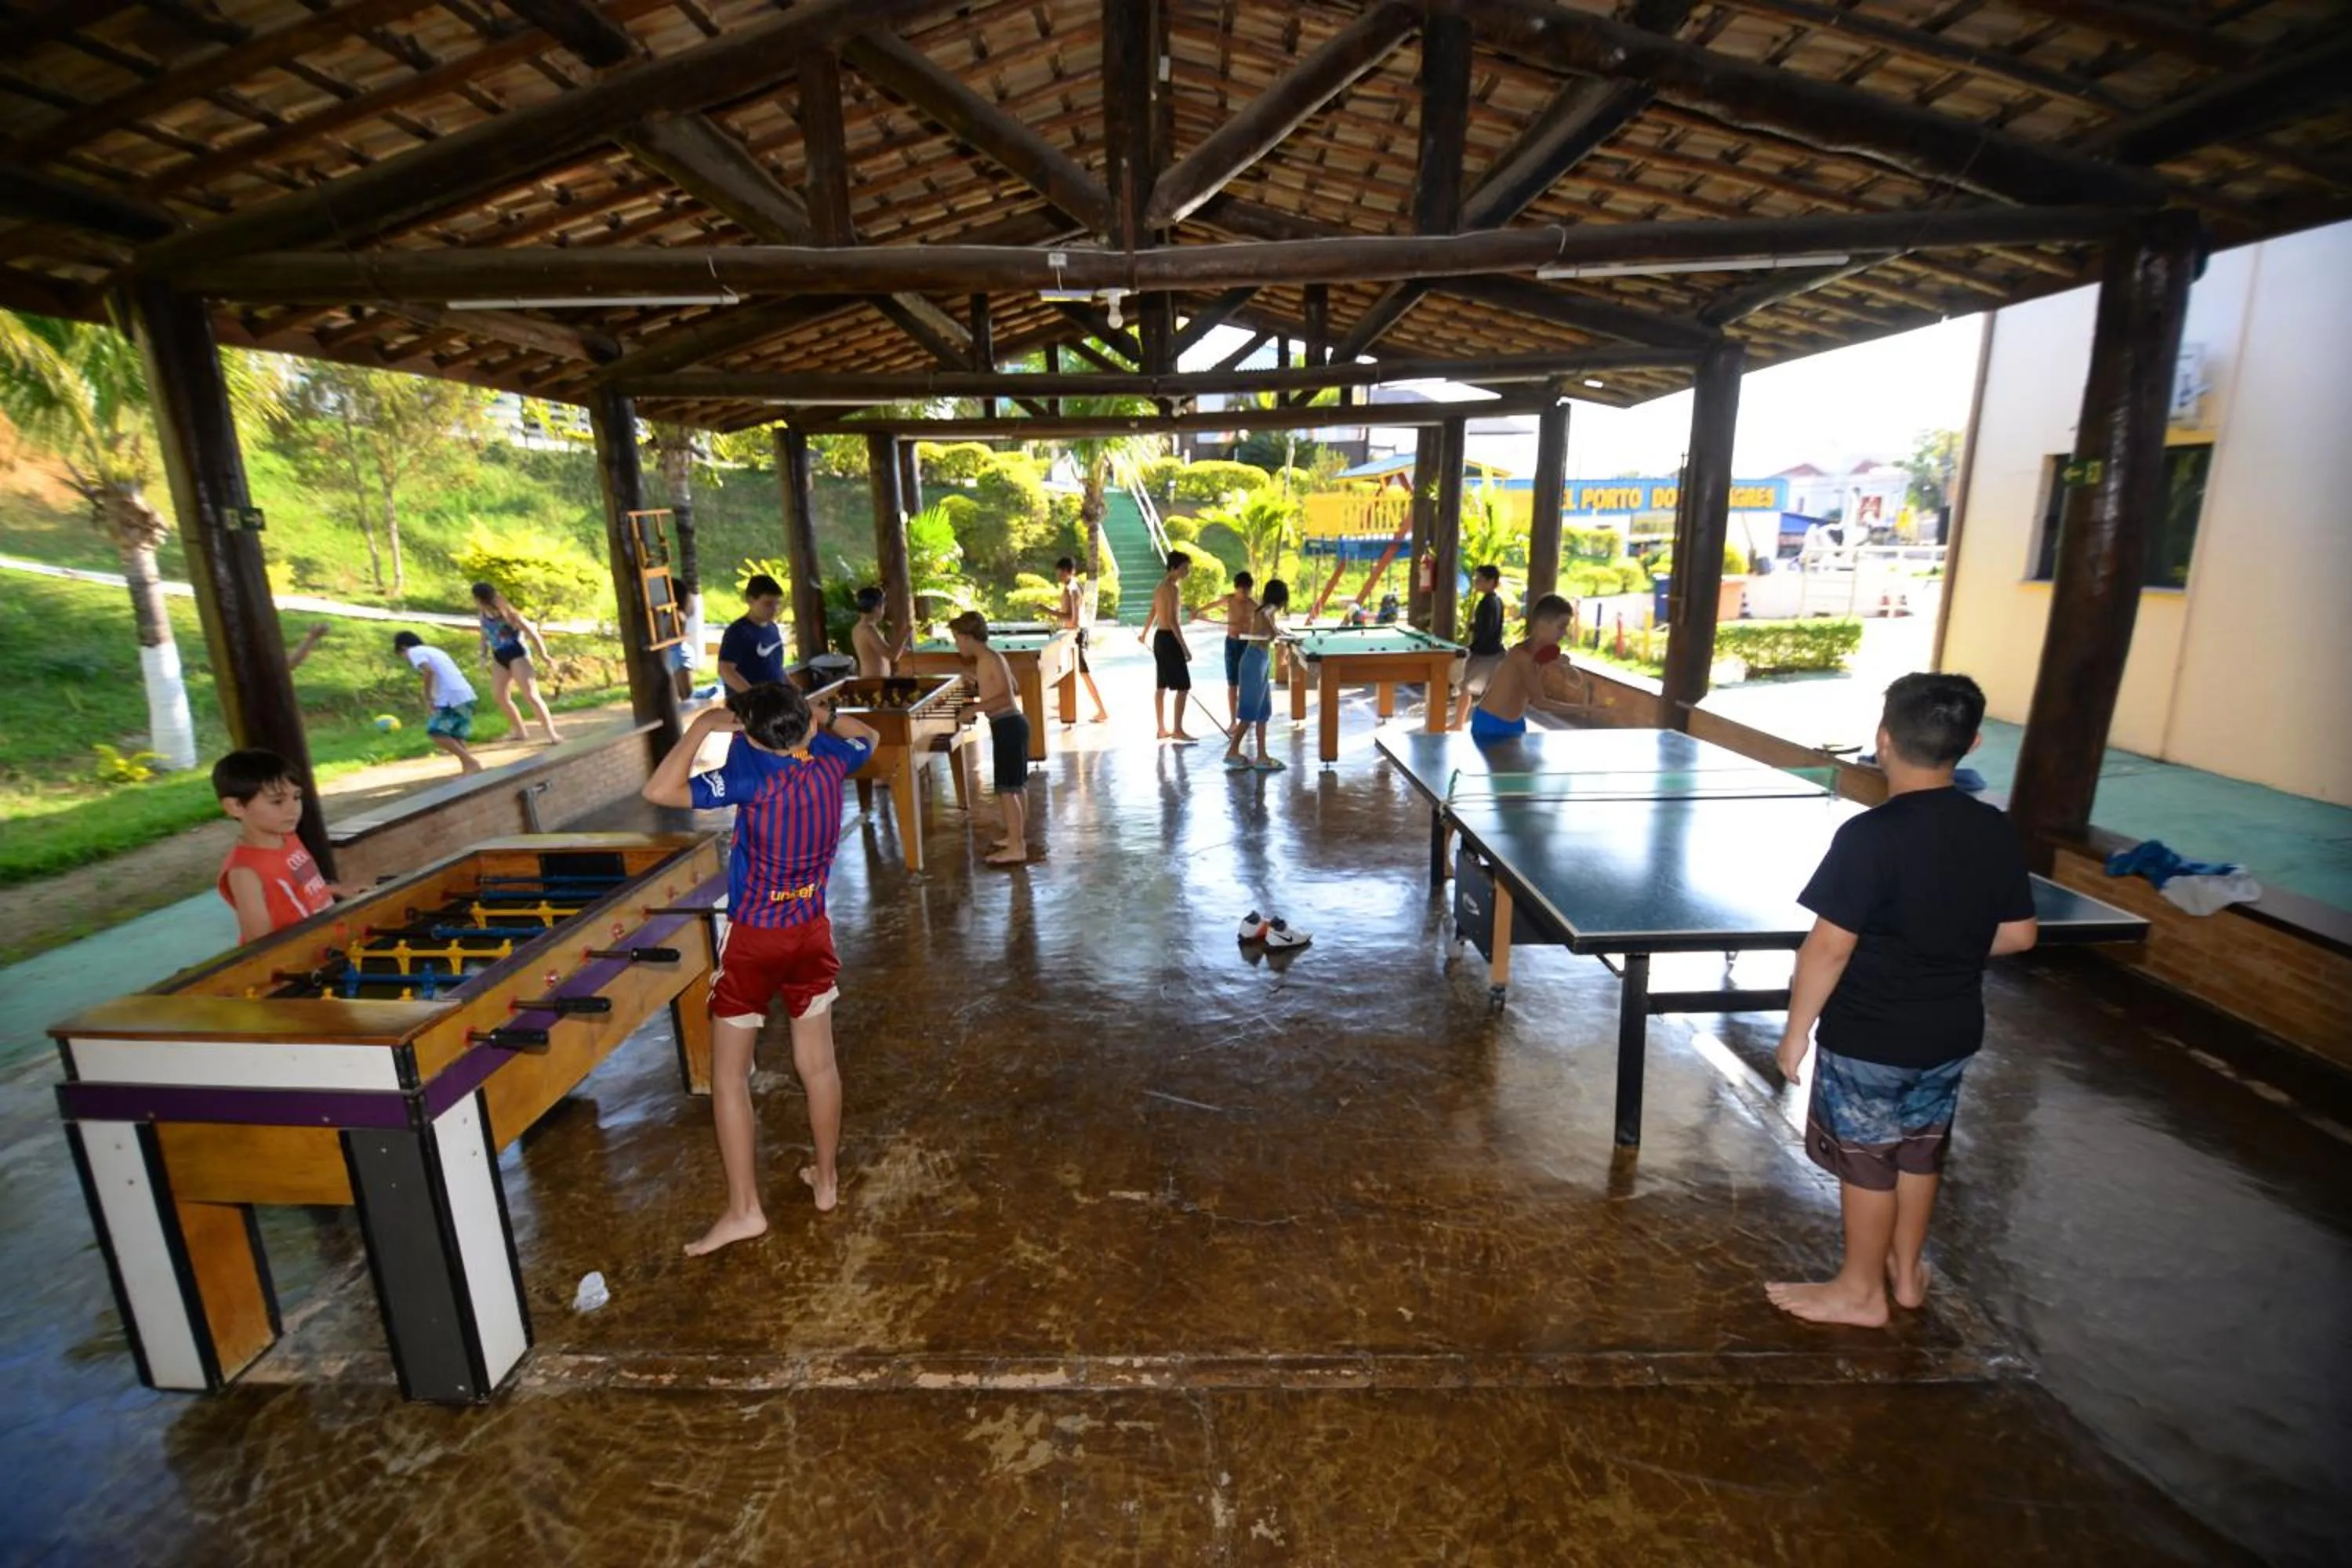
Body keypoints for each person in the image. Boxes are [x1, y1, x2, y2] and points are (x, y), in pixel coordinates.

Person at [1766, 673, 2040, 1328]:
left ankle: (1860, 1292)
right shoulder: (1994, 830)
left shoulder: (1870, 837)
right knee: (1919, 1149)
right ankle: (1907, 1273)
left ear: (1883, 741)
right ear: (1970, 743)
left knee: (1868, 1161)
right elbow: (2020, 935)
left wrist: (1796, 1031)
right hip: (1950, 1031)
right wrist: (1942, 947)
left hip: (1871, 1034)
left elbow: (1828, 948)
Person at [641, 683, 877, 1256]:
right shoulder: (829, 761)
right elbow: (867, 737)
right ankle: (826, 1181)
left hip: (754, 942)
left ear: (747, 735)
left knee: (728, 1078)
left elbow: (659, 789)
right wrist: (827, 717)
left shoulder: (748, 780)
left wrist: (700, 729)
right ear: (807, 728)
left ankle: (745, 1210)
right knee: (818, 1065)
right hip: (811, 935)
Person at [212, 749, 340, 944]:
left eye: (296, 797)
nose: (293, 809)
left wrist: (339, 889)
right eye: (277, 801)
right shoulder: (244, 872)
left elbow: (303, 889)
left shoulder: (288, 837)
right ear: (236, 807)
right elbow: (261, 942)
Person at [949, 612, 1032, 866]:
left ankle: (1017, 848)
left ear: (967, 637)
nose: (956, 645)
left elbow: (1006, 698)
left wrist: (973, 709)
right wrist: (982, 687)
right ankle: (1016, 837)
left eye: (957, 639)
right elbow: (1013, 687)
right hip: (1013, 725)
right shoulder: (993, 657)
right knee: (1017, 786)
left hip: (1007, 724)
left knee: (1007, 791)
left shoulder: (987, 661)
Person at [1469, 594, 1581, 742]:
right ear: (1542, 624)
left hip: (1516, 723)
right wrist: (1586, 709)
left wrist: (1566, 668)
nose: (1564, 633)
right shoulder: (1521, 655)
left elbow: (1576, 683)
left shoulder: (1547, 651)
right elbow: (1540, 702)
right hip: (1490, 723)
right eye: (1561, 627)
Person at [471, 581, 562, 746]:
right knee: (500, 696)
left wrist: (544, 656)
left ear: (480, 599)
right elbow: (484, 636)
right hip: (499, 655)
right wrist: (483, 656)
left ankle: (551, 733)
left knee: (531, 696)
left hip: (517, 654)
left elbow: (533, 633)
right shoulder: (483, 615)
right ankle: (519, 730)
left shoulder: (508, 614)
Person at [392, 630, 482, 774]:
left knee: (436, 732)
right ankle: (468, 767)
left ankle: (471, 762)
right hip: (464, 692)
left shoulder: (415, 652)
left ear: (403, 647)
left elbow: (429, 672)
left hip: (450, 696)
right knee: (455, 734)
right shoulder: (433, 650)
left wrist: (428, 696)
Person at [1224, 579, 1289, 772]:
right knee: (1250, 711)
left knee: (1262, 711)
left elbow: (1266, 621)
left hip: (1261, 661)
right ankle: (1232, 751)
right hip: (1253, 662)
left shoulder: (1266, 610)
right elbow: (1265, 614)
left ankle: (1262, 755)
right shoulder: (1267, 609)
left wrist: (1276, 631)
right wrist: (1275, 631)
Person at [1135, 550, 1199, 742]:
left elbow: (1153, 610)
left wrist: (1145, 633)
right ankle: (1177, 729)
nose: (1187, 571)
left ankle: (1162, 729)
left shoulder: (1160, 586)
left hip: (1159, 638)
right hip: (1169, 639)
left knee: (1162, 685)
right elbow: (1172, 621)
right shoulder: (1172, 588)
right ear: (1173, 568)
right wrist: (1185, 648)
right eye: (1184, 568)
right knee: (1183, 686)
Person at [1053, 557, 1109, 725]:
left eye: (1062, 572)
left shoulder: (1072, 589)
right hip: (1073, 633)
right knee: (1068, 670)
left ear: (1069, 572)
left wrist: (1048, 610)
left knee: (1084, 672)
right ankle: (1063, 704)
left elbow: (1073, 618)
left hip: (1077, 634)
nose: (1059, 575)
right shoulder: (1072, 586)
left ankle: (1102, 710)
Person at [1454, 564, 1508, 728]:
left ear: (1491, 582)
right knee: (1484, 690)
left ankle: (1459, 724)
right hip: (1493, 651)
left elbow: (1488, 630)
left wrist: (1472, 647)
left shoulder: (1488, 603)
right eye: (1476, 579)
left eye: (1480, 580)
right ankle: (1461, 723)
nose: (1476, 582)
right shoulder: (1496, 600)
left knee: (1465, 687)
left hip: (1485, 653)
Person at [717, 575, 789, 693]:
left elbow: (776, 667)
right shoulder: (737, 632)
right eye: (768, 604)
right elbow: (725, 670)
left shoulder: (772, 628)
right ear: (750, 601)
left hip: (776, 702)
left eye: (777, 603)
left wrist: (793, 688)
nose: (774, 609)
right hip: (749, 707)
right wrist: (754, 697)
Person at [1221, 571, 1257, 728]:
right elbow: (1211, 606)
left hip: (1246, 644)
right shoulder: (1229, 600)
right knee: (1232, 683)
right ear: (1236, 588)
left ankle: (1245, 718)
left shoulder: (1252, 605)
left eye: (1248, 590)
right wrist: (1198, 613)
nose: (1246, 594)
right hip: (1231, 644)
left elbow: (1265, 617)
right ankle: (1232, 721)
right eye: (1243, 591)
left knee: (1246, 684)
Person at [851, 586, 909, 680]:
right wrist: (904, 634)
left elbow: (879, 653)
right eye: (883, 606)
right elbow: (892, 656)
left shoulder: (858, 628)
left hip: (874, 681)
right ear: (877, 608)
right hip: (873, 682)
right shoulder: (868, 629)